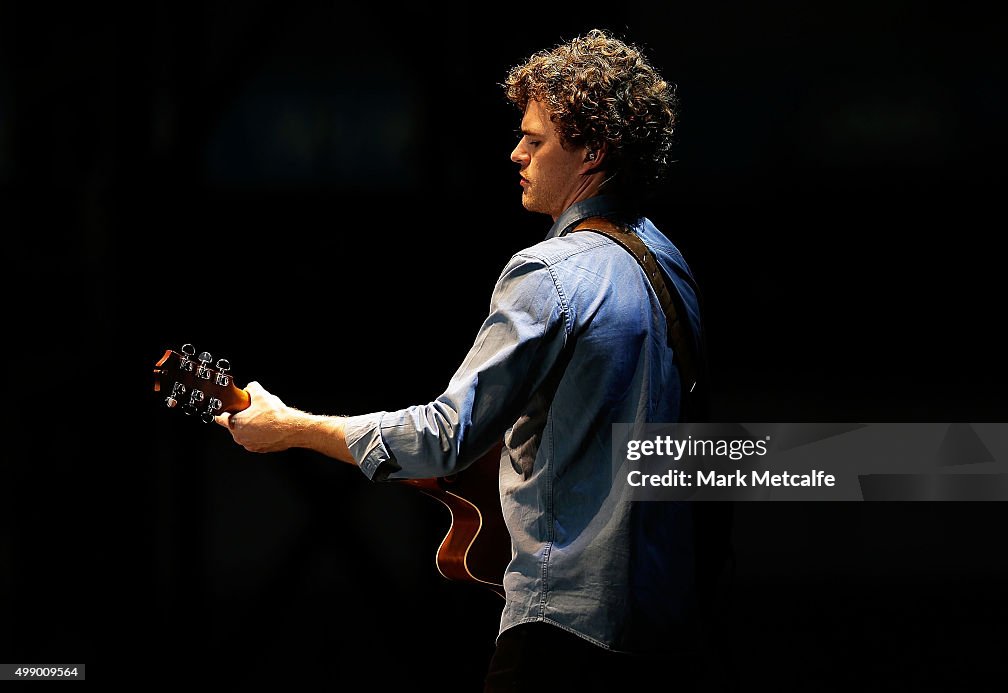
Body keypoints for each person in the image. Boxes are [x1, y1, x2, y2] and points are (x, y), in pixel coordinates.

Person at [216, 28, 731, 692]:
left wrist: (291, 425)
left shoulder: (550, 273)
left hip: (564, 632)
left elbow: (443, 436)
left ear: (594, 151)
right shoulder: (668, 261)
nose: (515, 152)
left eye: (536, 140)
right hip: (667, 638)